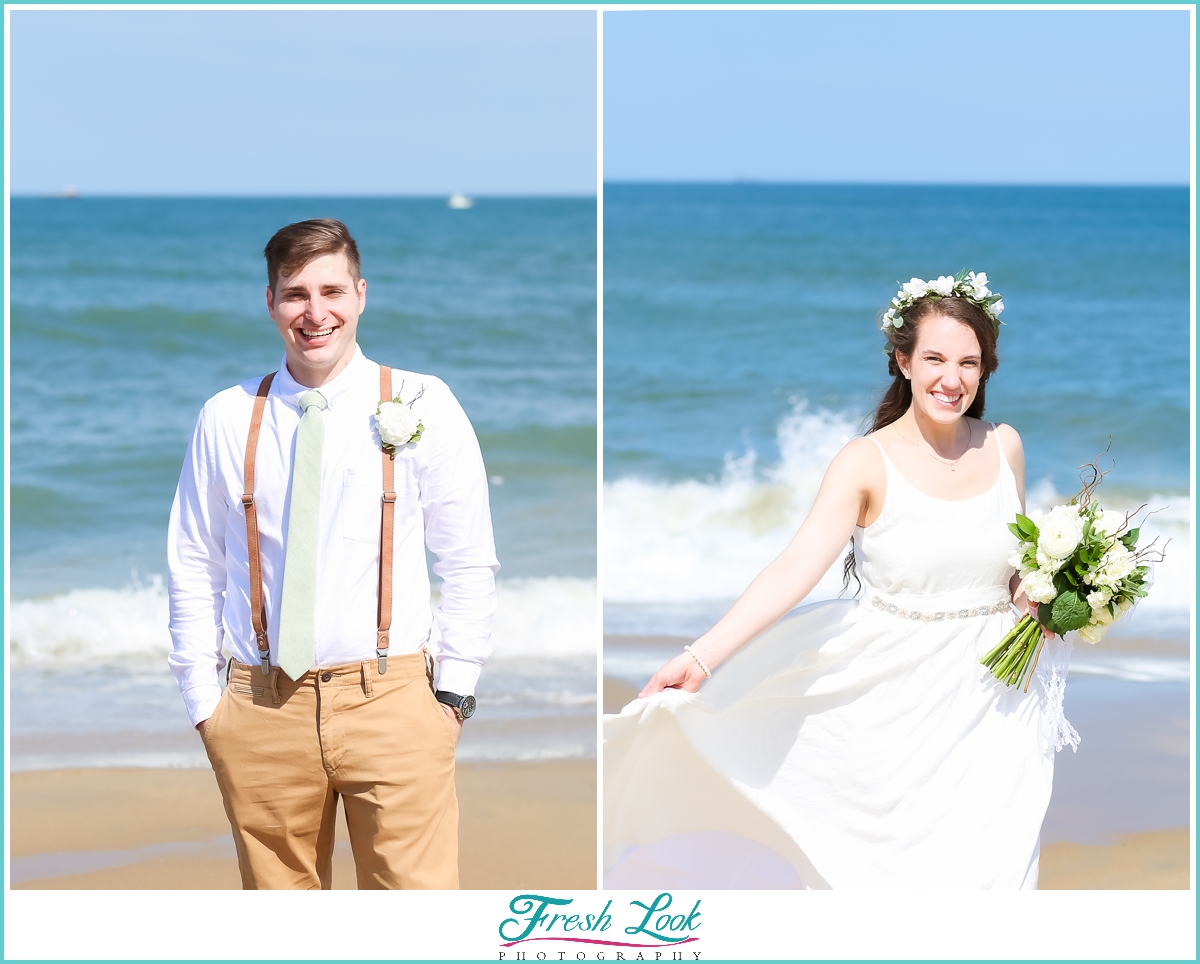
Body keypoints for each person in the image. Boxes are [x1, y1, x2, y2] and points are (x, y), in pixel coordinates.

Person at [604, 272, 1077, 890]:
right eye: (933, 358)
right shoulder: (865, 461)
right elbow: (796, 567)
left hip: (996, 696)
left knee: (996, 868)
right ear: (903, 361)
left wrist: (1048, 600)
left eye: (969, 362)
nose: (951, 378)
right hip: (892, 696)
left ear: (986, 368)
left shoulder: (1004, 445)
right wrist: (701, 656)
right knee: (892, 877)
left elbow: (1011, 574)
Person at [167, 218, 498, 890]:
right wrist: (204, 702)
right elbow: (194, 562)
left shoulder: (421, 401)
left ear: (361, 295)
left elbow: (467, 559)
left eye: (331, 291)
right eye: (295, 294)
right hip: (259, 708)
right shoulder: (227, 416)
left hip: (394, 702)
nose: (315, 313)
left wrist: (454, 696)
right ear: (270, 303)